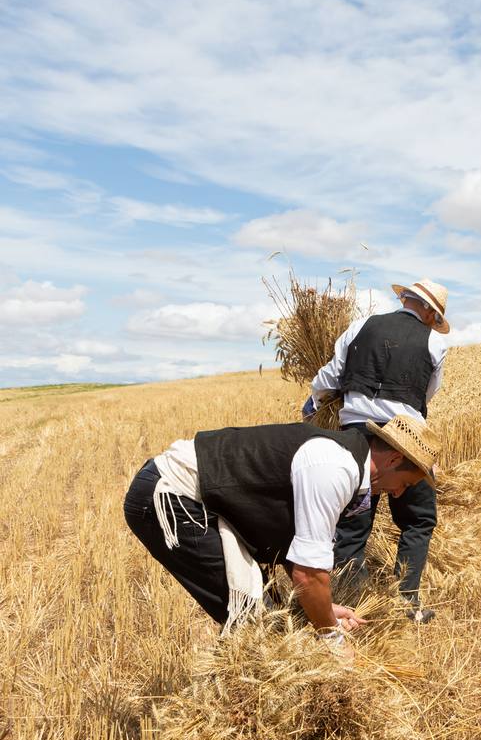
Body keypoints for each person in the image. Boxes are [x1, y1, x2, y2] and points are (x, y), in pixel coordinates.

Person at [123, 414, 439, 654]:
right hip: (172, 496)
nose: (399, 495)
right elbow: (307, 574)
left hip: (198, 501)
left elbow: (297, 552)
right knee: (253, 621)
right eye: (406, 484)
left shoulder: (345, 464)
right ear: (394, 458)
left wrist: (326, 612)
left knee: (271, 619)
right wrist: (334, 640)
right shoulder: (336, 469)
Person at [308, 278, 451, 622]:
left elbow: (329, 376)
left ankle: (351, 606)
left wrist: (314, 401)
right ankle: (406, 605)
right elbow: (426, 395)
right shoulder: (435, 343)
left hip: (356, 436)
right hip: (405, 439)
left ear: (405, 299)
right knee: (418, 520)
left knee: (354, 522)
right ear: (430, 311)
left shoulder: (361, 325)